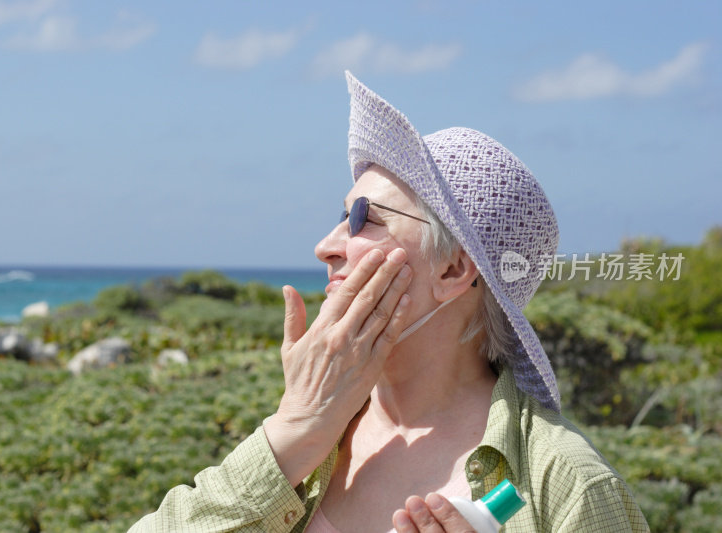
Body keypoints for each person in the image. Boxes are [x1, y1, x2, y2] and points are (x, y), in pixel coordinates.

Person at [128, 72, 649, 532]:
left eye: (363, 219)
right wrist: (290, 433)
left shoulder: (566, 485)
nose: (326, 245)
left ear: (452, 270)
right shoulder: (313, 436)